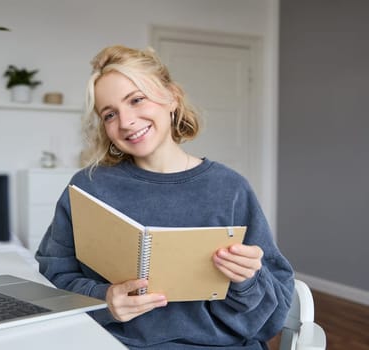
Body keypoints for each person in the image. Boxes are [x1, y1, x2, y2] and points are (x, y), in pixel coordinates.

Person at [35, 45, 294, 349]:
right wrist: (104, 299)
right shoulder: (88, 187)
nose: (127, 121)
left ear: (172, 97)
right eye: (110, 114)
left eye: (136, 99)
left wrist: (247, 281)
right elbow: (53, 277)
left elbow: (274, 314)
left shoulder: (230, 188)